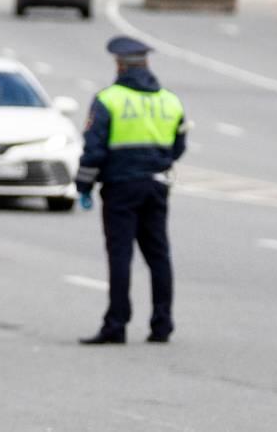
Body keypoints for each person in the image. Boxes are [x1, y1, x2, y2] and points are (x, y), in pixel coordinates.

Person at [76, 36, 188, 345]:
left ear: (119, 65)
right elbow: (178, 146)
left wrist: (83, 185)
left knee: (120, 256)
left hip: (120, 187)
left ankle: (116, 324)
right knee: (159, 256)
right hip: (157, 185)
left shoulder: (109, 99)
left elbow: (93, 150)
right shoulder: (170, 100)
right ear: (147, 63)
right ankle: (162, 324)